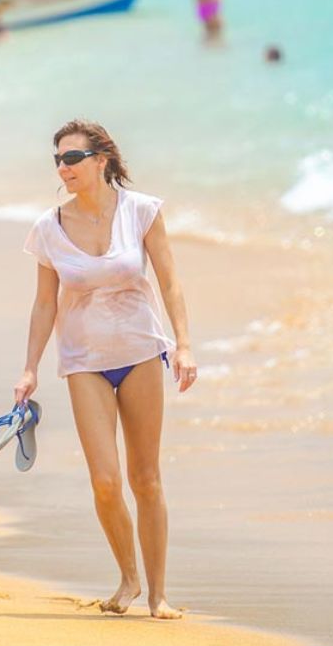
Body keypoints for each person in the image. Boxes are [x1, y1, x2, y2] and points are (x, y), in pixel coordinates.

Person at [16, 120, 197, 620]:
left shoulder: (141, 212)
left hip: (140, 353)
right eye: (57, 160)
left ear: (101, 161)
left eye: (72, 158)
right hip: (84, 363)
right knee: (104, 480)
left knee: (146, 477)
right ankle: (127, 579)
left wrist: (183, 346)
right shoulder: (48, 228)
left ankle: (158, 594)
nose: (63, 168)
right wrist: (29, 369)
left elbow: (170, 282)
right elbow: (43, 306)